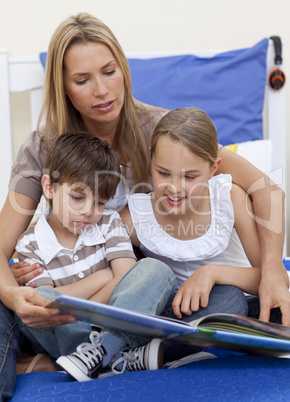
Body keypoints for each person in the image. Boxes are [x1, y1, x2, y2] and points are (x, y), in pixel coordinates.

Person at [0, 11, 287, 398]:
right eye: (83, 80)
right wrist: (13, 294)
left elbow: (265, 188)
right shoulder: (42, 149)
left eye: (109, 71)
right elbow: (2, 248)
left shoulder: (166, 132)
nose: (102, 90)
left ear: (124, 68)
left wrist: (271, 270)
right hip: (66, 295)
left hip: (141, 298)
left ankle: (105, 354)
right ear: (63, 87)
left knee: (222, 301)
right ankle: (73, 357)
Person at [57, 107, 273, 378]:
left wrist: (212, 273)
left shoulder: (229, 198)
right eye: (163, 173)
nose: (174, 187)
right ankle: (125, 349)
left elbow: (268, 278)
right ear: (151, 161)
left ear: (213, 169)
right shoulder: (136, 215)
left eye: (190, 176)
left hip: (225, 307)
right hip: (168, 313)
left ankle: (130, 351)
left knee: (233, 302)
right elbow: (83, 248)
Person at [14, 131, 167, 379]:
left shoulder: (109, 222)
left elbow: (128, 278)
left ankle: (103, 350)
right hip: (71, 331)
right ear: (49, 187)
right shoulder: (30, 243)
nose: (88, 211)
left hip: (112, 322)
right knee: (35, 298)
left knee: (155, 269)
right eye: (77, 198)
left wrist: (82, 307)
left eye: (99, 203)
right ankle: (119, 355)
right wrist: (104, 276)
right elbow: (49, 303)